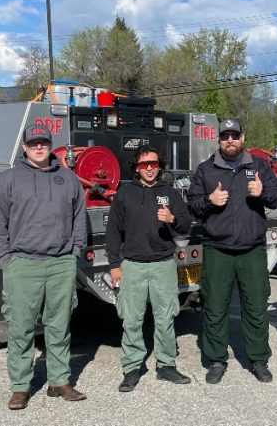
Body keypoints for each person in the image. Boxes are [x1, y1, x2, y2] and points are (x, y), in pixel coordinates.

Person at [0, 125, 88, 410]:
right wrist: (7, 260)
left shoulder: (67, 179)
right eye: (34, 144)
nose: (39, 148)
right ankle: (20, 387)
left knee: (60, 326)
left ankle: (59, 381)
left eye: (44, 142)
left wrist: (74, 253)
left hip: (60, 264)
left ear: (50, 145)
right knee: (21, 328)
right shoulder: (8, 180)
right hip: (23, 264)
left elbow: (79, 218)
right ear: (25, 147)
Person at [187, 119, 277, 384]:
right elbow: (192, 206)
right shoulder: (206, 170)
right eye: (225, 136)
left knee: (255, 306)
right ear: (219, 140)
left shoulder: (259, 166)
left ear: (243, 137)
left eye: (235, 135)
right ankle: (217, 360)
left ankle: (258, 360)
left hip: (251, 249)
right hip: (217, 249)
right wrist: (209, 200)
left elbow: (276, 197)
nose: (230, 140)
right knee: (215, 307)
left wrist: (263, 192)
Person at [105, 145, 193, 392]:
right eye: (144, 164)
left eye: (154, 163)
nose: (150, 168)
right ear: (137, 167)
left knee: (166, 317)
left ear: (160, 165)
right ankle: (132, 368)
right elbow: (113, 232)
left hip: (163, 264)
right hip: (132, 266)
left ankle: (166, 365)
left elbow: (187, 225)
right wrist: (114, 265)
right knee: (131, 320)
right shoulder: (125, 193)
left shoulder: (170, 193)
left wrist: (172, 219)